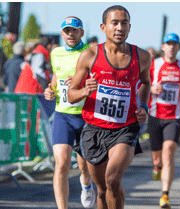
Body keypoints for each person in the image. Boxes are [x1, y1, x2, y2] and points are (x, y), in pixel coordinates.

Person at [68, 5, 151, 209]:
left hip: (125, 128)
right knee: (103, 189)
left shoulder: (142, 57)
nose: (119, 27)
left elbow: (146, 83)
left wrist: (143, 107)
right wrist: (84, 92)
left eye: (124, 23)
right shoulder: (89, 56)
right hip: (94, 129)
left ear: (130, 27)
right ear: (103, 27)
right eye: (115, 23)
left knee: (112, 178)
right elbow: (71, 95)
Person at [44, 16, 95, 209]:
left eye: (74, 30)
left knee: (85, 166)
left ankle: (86, 183)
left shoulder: (89, 53)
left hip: (85, 115)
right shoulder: (56, 53)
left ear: (81, 32)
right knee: (62, 162)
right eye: (66, 31)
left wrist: (80, 79)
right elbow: (56, 75)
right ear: (62, 33)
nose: (70, 34)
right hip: (62, 114)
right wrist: (50, 89)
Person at [148, 33, 180, 208]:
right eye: (168, 44)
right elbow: (142, 84)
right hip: (154, 115)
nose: (171, 47)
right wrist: (152, 89)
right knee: (157, 159)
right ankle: (157, 167)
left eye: (174, 44)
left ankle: (165, 195)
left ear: (179, 47)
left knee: (168, 153)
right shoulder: (155, 65)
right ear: (163, 46)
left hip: (174, 117)